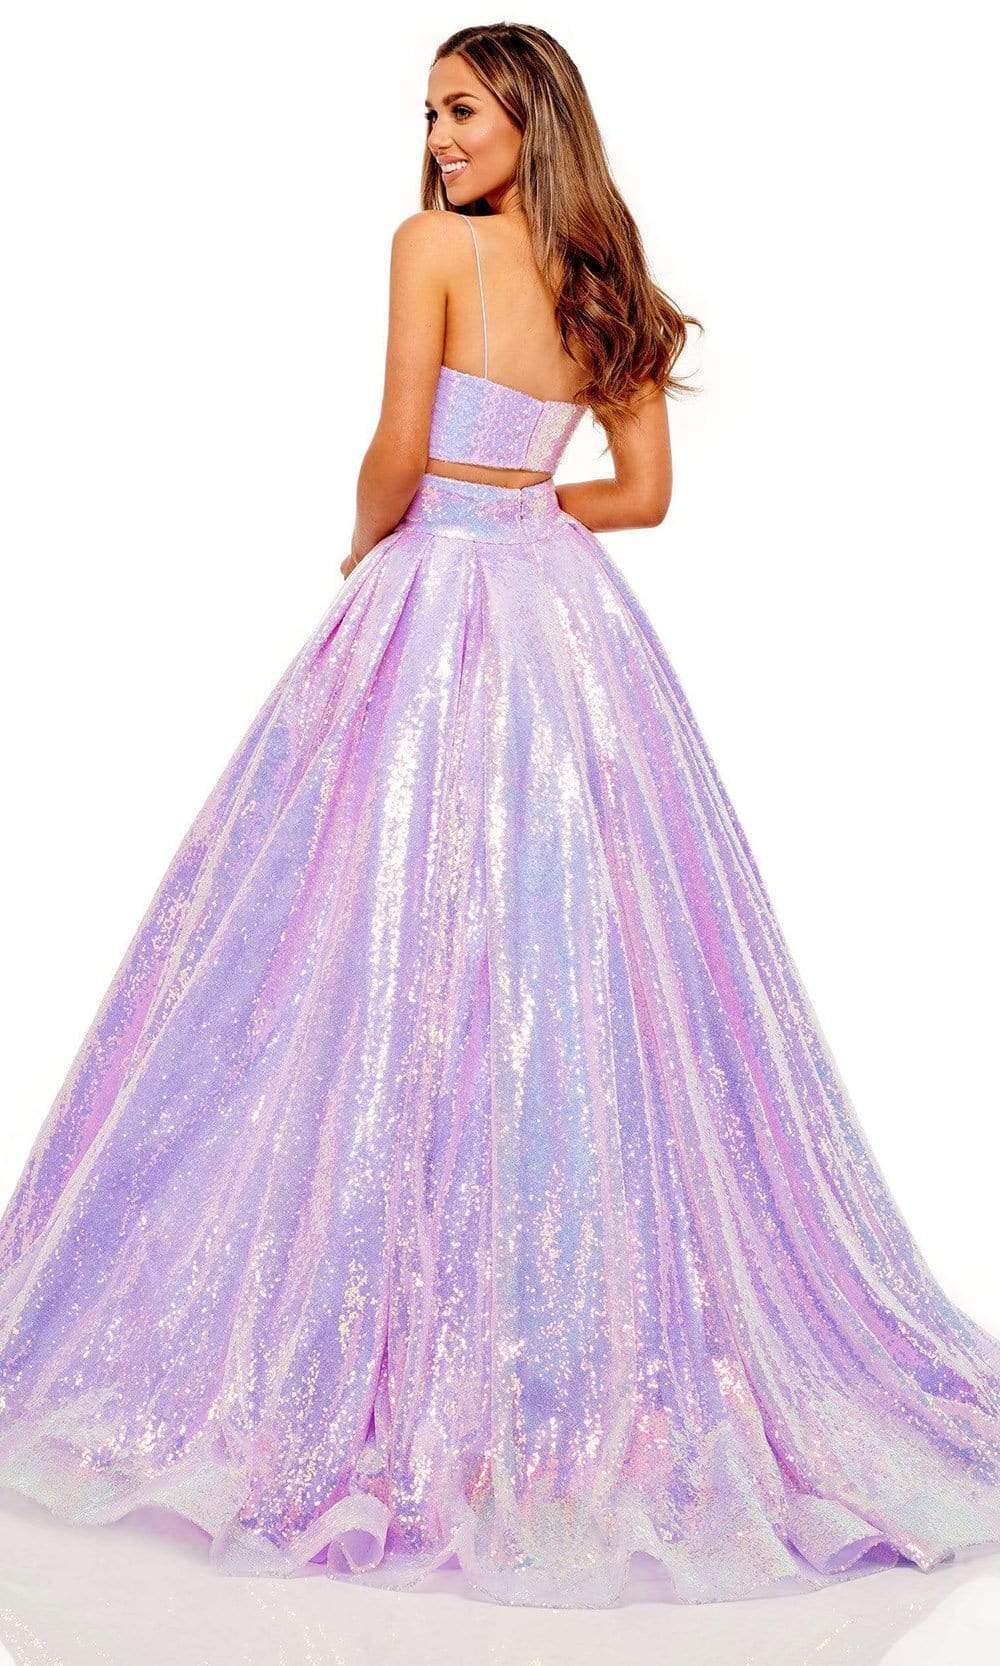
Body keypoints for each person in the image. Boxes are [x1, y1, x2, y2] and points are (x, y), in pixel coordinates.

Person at [1, 20, 999, 1614]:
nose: (439, 139)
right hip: (564, 630)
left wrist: (370, 541)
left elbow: (398, 445)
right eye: (429, 115)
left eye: (462, 109)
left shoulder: (432, 248)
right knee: (563, 953)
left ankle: (371, 1321)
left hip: (432, 607)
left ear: (529, 113)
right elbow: (645, 493)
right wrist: (533, 504)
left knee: (346, 936)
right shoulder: (604, 271)